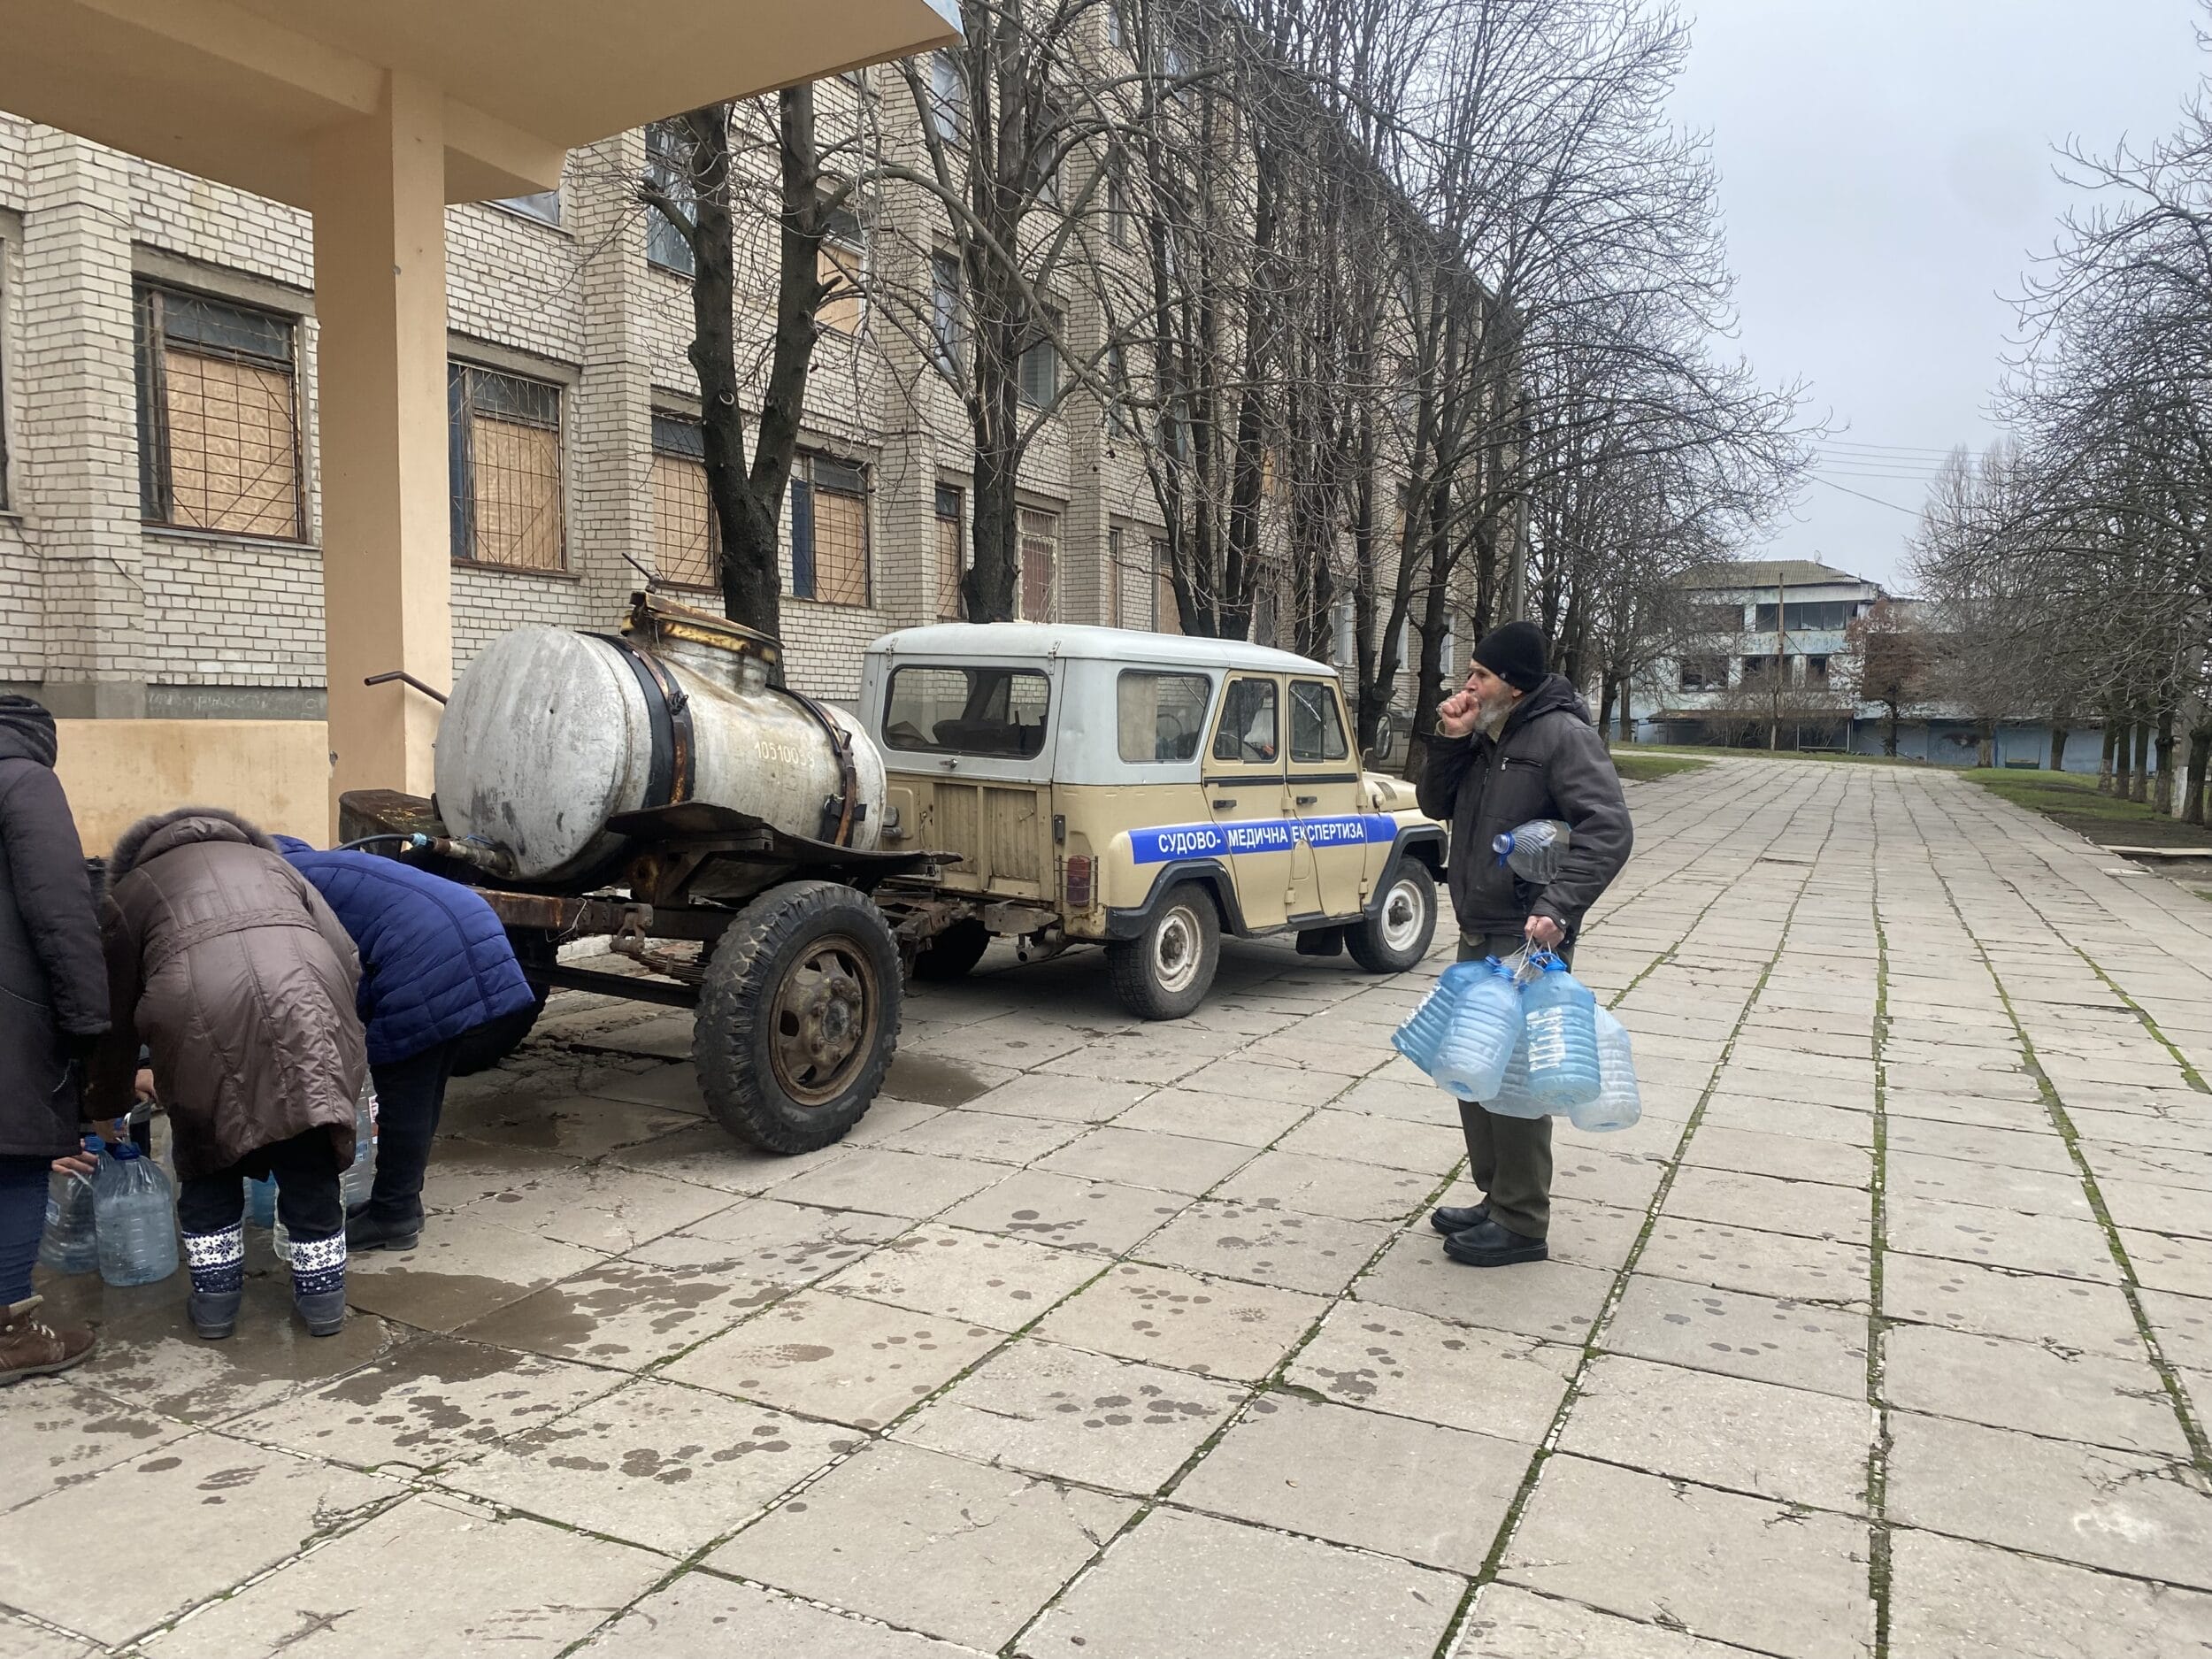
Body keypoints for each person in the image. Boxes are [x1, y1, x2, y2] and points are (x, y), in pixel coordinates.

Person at [88, 807, 367, 1340]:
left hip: (196, 1017)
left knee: (209, 1153)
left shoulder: (130, 893)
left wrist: (104, 1103)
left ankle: (216, 1306)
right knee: (306, 1150)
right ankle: (324, 1304)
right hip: (303, 1002)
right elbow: (344, 955)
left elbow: (112, 1016)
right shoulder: (276, 866)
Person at [1417, 621, 1632, 1268]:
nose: (1468, 684)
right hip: (1479, 929)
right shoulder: (1489, 733)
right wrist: (1452, 741)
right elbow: (1434, 801)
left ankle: (1521, 1220)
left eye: (1479, 674)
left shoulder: (1563, 736)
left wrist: (1558, 908)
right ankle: (1497, 1194)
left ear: (1511, 682)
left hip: (1527, 938)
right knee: (1473, 1069)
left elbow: (1609, 829)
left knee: (1513, 1082)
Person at [273, 836, 536, 1253]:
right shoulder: (318, 866)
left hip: (424, 951)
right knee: (425, 1087)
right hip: (470, 923)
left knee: (403, 1093)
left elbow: (324, 972)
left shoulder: (279, 887)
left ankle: (393, 1216)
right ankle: (401, 1205)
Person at [0, 696, 110, 1384]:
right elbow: (62, 906)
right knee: (15, 1152)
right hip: (10, 1009)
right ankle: (12, 1333)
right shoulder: (23, 777)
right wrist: (89, 1026)